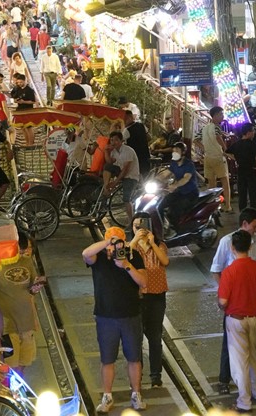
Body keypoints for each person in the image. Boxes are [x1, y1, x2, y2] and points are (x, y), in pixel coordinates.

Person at [211, 208, 256, 395]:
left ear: (235, 249)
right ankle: (242, 387)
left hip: (237, 313)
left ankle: (245, 397)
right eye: (254, 226)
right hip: (252, 312)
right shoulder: (229, 245)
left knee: (240, 356)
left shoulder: (233, 270)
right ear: (244, 224)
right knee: (249, 353)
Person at [82, 227, 148, 413]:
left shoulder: (133, 255)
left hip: (131, 315)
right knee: (107, 359)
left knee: (134, 358)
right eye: (111, 240)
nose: (115, 244)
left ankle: (136, 394)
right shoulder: (99, 257)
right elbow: (86, 253)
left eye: (118, 240)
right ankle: (107, 395)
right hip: (105, 317)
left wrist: (126, 264)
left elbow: (143, 282)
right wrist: (107, 244)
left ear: (124, 240)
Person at [218, 230, 256, 412]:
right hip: (255, 318)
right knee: (255, 355)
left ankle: (244, 401)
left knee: (240, 362)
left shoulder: (229, 272)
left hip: (235, 320)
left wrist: (221, 305)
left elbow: (223, 302)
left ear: (232, 248)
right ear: (250, 246)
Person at [0, 230, 42, 376]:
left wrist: (35, 288)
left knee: (24, 361)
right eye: (22, 248)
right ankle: (10, 392)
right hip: (8, 324)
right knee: (10, 363)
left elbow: (30, 288)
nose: (25, 252)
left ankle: (18, 390)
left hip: (26, 321)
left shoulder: (27, 261)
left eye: (28, 248)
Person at [129, 214, 169, 388]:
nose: (139, 229)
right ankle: (136, 378)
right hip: (137, 297)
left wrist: (152, 243)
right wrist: (134, 241)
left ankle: (156, 377)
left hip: (156, 297)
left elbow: (165, 261)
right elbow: (123, 258)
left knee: (155, 338)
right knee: (135, 339)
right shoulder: (131, 247)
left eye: (142, 226)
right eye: (136, 226)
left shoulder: (159, 245)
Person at [157, 142, 198, 234]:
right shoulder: (174, 163)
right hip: (179, 192)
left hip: (190, 194)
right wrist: (155, 180)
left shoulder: (189, 164)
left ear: (183, 152)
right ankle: (162, 228)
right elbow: (166, 173)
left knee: (174, 211)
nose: (174, 152)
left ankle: (178, 232)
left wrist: (175, 185)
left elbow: (186, 178)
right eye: (173, 151)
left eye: (177, 151)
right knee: (159, 205)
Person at [103, 131, 140, 223]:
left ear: (121, 141)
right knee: (106, 167)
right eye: (111, 140)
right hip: (121, 173)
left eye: (116, 140)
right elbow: (109, 163)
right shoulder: (114, 152)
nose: (113, 142)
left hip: (131, 176)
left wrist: (115, 183)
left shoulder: (128, 151)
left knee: (126, 199)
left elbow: (125, 170)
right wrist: (106, 151)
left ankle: (131, 222)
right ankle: (106, 188)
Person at [202, 106, 232, 212]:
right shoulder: (217, 126)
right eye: (221, 114)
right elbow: (218, 137)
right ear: (215, 116)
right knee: (225, 182)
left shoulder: (204, 128)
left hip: (207, 158)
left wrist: (205, 149)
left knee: (211, 184)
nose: (222, 116)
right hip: (218, 157)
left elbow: (196, 140)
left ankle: (213, 207)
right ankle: (228, 206)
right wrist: (226, 149)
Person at [227, 123, 256, 211]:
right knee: (253, 192)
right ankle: (253, 211)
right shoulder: (252, 143)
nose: (254, 133)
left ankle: (242, 211)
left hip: (241, 170)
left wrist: (235, 159)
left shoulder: (237, 144)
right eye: (253, 131)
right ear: (248, 132)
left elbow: (226, 152)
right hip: (252, 170)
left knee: (242, 193)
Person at [11, 75, 37, 146]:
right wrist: (16, 100)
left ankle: (30, 143)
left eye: (21, 82)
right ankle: (27, 142)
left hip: (28, 110)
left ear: (25, 81)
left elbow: (33, 101)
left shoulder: (29, 90)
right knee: (22, 127)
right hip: (20, 110)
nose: (19, 84)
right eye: (18, 82)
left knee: (28, 127)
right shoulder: (17, 88)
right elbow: (14, 97)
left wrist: (24, 102)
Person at [122, 110, 150, 178]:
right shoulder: (141, 125)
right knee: (145, 178)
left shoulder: (127, 131)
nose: (124, 122)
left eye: (124, 119)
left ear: (129, 117)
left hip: (134, 160)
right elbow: (149, 137)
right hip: (145, 157)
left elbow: (121, 143)